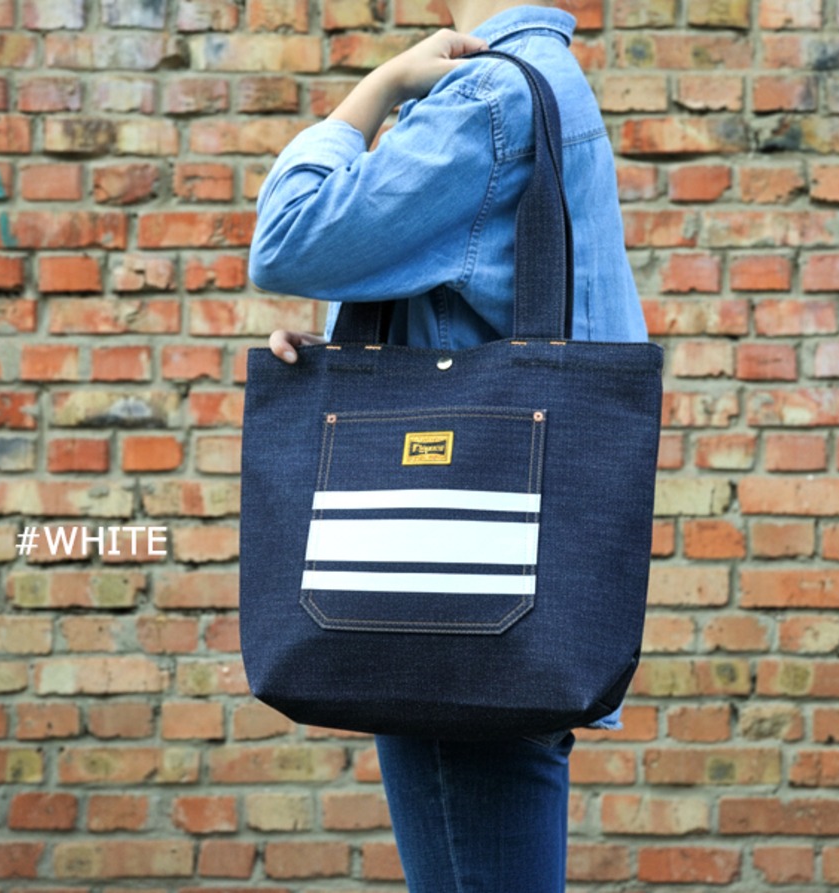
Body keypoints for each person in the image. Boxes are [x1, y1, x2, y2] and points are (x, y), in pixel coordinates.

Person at [247, 3, 649, 890]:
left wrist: (378, 87)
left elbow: (285, 237)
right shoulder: (548, 83)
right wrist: (356, 355)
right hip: (515, 580)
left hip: (451, 611)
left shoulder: (486, 98)